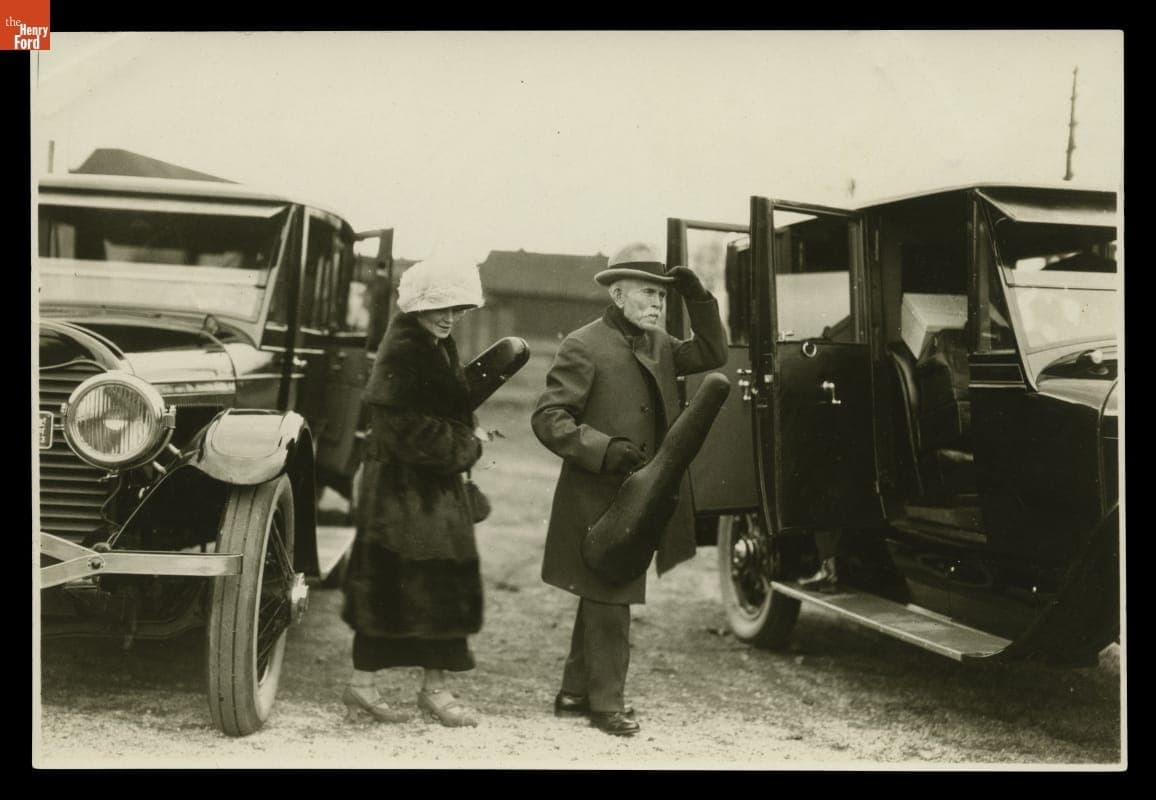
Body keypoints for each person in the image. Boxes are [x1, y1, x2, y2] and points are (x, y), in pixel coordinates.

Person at [531, 242, 727, 736]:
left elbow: (712, 353)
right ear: (618, 294)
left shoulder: (659, 343)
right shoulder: (583, 344)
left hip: (640, 494)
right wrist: (602, 448)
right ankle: (606, 705)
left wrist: (699, 297)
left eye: (662, 296)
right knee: (611, 594)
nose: (659, 304)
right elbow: (549, 418)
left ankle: (573, 693)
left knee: (601, 589)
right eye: (649, 293)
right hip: (596, 495)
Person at [340, 257, 489, 728]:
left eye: (457, 309)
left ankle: (433, 688)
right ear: (417, 307)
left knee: (432, 586)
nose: (449, 317)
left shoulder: (434, 343)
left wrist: (466, 433)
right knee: (394, 586)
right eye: (440, 307)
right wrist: (467, 445)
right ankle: (367, 686)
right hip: (402, 493)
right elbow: (403, 429)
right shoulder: (405, 348)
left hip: (427, 490)